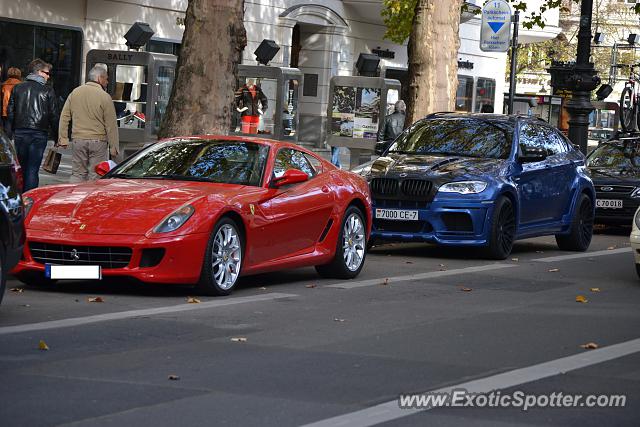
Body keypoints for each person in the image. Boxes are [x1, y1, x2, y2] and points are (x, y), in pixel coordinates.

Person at [58, 63, 119, 182]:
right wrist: (113, 147)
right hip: (98, 141)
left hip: (78, 139)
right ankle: (90, 198)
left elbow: (64, 117)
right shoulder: (105, 97)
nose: (107, 82)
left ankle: (75, 197)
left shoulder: (75, 92)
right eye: (106, 79)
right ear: (99, 78)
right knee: (96, 175)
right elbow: (111, 125)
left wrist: (63, 138)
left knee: (77, 174)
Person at [7, 59, 59, 191]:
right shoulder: (47, 91)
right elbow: (53, 115)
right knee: (32, 169)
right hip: (38, 134)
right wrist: (57, 136)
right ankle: (29, 197)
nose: (48, 76)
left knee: (22, 168)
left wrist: (10, 132)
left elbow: (10, 112)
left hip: (20, 133)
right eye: (47, 73)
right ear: (39, 72)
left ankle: (20, 195)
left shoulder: (18, 88)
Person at [1, 67, 22, 137]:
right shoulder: (22, 86)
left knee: (7, 132)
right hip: (19, 111)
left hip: (5, 112)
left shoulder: (3, 85)